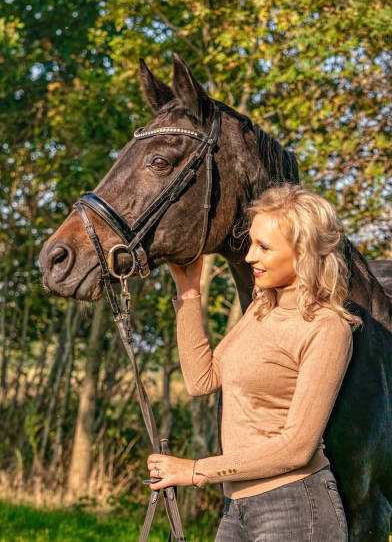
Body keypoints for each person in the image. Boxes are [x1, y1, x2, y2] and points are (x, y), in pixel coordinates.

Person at [146, 183, 362, 541]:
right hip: (238, 507)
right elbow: (202, 380)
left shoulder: (327, 328)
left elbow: (297, 447)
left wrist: (198, 470)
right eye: (251, 244)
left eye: (264, 247)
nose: (249, 257)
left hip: (296, 506)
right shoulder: (261, 311)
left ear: (303, 253)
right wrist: (188, 293)